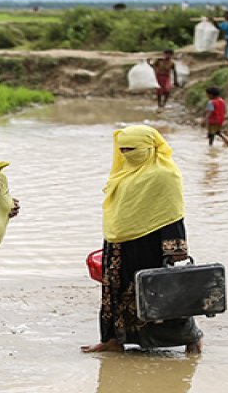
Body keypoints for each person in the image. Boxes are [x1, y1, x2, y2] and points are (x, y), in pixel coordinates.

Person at [82, 125, 203, 355]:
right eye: (123, 149)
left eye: (133, 149)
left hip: (151, 245)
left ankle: (191, 338)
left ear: (149, 148)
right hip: (119, 244)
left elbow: (172, 213)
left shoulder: (165, 174)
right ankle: (112, 340)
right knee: (114, 293)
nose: (127, 154)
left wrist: (175, 249)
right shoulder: (122, 173)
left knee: (162, 292)